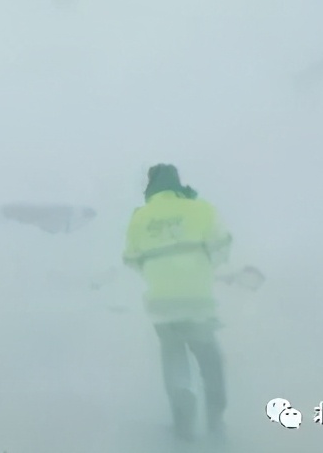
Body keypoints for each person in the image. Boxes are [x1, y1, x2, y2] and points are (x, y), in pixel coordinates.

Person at [122, 164, 232, 441]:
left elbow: (131, 259)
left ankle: (183, 425)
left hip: (162, 304)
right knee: (209, 361)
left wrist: (158, 276)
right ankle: (216, 423)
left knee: (174, 361)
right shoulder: (200, 209)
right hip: (198, 301)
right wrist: (202, 270)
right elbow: (221, 247)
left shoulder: (139, 218)